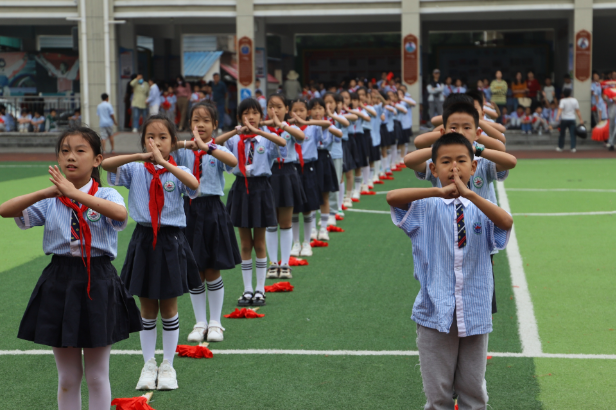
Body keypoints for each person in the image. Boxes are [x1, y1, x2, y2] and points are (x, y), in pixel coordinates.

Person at [0, 127, 141, 410]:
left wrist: (74, 193)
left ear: (98, 159)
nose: (70, 157)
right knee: (67, 376)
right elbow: (6, 209)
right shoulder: (53, 200)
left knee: (97, 375)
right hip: (59, 280)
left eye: (80, 151)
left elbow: (119, 215)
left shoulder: (107, 194)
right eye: (64, 151)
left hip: (98, 279)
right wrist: (51, 190)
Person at [388, 132, 512, 410]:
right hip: (435, 311)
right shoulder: (425, 206)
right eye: (445, 161)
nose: (454, 167)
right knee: (438, 394)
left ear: (474, 167)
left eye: (461, 160)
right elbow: (393, 197)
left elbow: (506, 222)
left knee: (473, 391)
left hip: (475, 310)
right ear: (433, 168)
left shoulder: (482, 210)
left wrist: (470, 195)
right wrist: (437, 191)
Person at [102, 115, 201, 391]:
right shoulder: (135, 169)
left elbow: (194, 186)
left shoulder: (177, 170)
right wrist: (141, 155)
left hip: (171, 241)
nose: (156, 142)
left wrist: (166, 162)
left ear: (173, 142)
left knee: (169, 308)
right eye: (150, 137)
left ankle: (168, 364)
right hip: (144, 240)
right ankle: (148, 364)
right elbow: (106, 166)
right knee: (147, 308)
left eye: (162, 137)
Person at [173, 102, 241, 343]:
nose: (199, 125)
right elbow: (164, 149)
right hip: (188, 211)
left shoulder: (217, 149)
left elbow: (232, 162)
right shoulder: (183, 150)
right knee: (195, 270)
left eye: (205, 121)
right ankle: (200, 321)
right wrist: (186, 144)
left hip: (212, 210)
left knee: (212, 268)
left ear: (214, 125)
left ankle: (215, 322)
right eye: (195, 120)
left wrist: (207, 148)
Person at [214, 98, 287, 307]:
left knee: (260, 242)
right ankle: (247, 290)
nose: (251, 117)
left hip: (261, 189)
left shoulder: (265, 140)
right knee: (245, 244)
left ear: (260, 117)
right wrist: (236, 132)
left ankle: (260, 290)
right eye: (246, 113)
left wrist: (259, 131)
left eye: (255, 113)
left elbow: (282, 143)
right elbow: (214, 143)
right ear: (239, 118)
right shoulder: (234, 140)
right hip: (240, 188)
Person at [261, 94, 306, 279]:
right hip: (269, 175)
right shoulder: (262, 128)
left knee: (286, 221)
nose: (275, 110)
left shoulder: (290, 128)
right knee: (271, 222)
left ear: (286, 109)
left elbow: (301, 136)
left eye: (279, 106)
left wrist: (283, 125)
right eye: (271, 106)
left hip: (287, 174)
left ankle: (285, 264)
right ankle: (273, 264)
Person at [286, 98, 333, 254]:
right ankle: (296, 243)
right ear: (289, 111)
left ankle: (307, 242)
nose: (298, 113)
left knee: (308, 207)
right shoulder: (288, 128)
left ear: (308, 112)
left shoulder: (313, 127)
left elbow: (327, 125)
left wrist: (309, 121)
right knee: (293, 209)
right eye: (295, 110)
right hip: (293, 168)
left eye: (302, 110)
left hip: (309, 168)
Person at [555, 88, 584, 152]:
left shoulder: (562, 100)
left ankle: (560, 147)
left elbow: (560, 109)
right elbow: (578, 111)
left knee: (562, 133)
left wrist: (557, 116)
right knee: (572, 134)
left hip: (564, 119)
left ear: (564, 94)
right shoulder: (574, 100)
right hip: (572, 119)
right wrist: (581, 119)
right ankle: (573, 147)